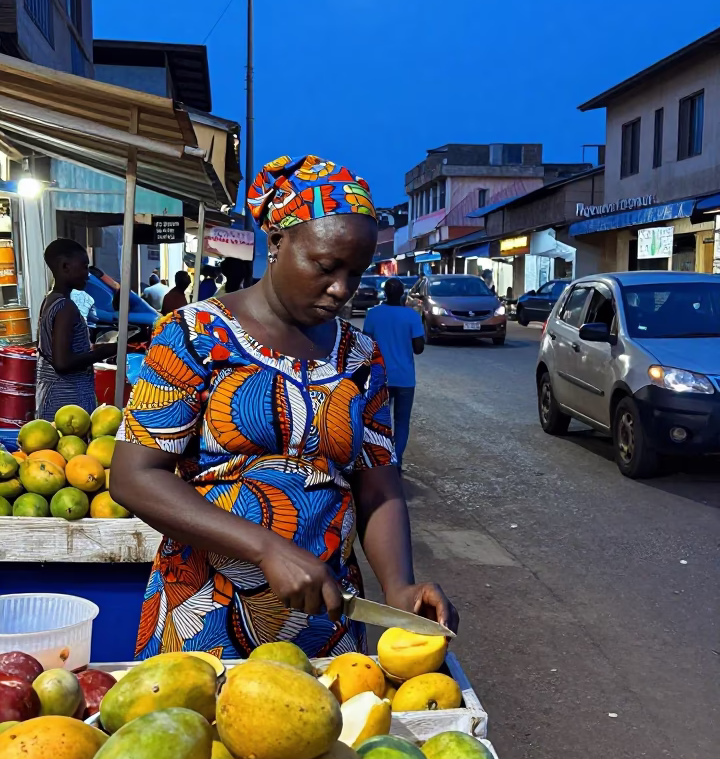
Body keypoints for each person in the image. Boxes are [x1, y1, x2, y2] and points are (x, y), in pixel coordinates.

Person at [111, 153, 457, 660]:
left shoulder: (360, 357)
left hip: (326, 626)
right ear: (276, 243)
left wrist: (399, 589)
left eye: (355, 273)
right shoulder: (194, 335)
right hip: (205, 620)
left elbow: (379, 489)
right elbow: (135, 476)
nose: (341, 289)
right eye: (324, 266)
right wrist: (264, 546)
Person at [36, 239, 117, 420]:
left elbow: (58, 350)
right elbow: (62, 363)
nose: (88, 275)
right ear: (65, 266)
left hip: (53, 397)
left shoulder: (50, 300)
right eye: (84, 267)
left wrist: (94, 350)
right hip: (67, 400)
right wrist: (104, 352)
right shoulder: (66, 307)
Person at [363, 277, 425, 470]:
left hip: (380, 377)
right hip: (405, 378)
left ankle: (382, 459)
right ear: (402, 294)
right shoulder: (412, 316)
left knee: (380, 420)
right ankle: (397, 459)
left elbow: (366, 345)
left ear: (385, 293)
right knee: (402, 420)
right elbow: (419, 348)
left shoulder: (373, 314)